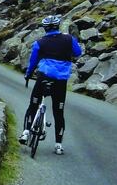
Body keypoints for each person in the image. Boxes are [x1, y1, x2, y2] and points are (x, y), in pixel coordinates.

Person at [19, 15, 82, 155]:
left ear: (45, 28)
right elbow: (78, 53)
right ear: (58, 26)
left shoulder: (40, 42)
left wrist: (28, 74)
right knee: (58, 112)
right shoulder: (69, 39)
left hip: (43, 77)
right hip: (61, 80)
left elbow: (33, 62)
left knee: (33, 104)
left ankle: (26, 132)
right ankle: (58, 145)